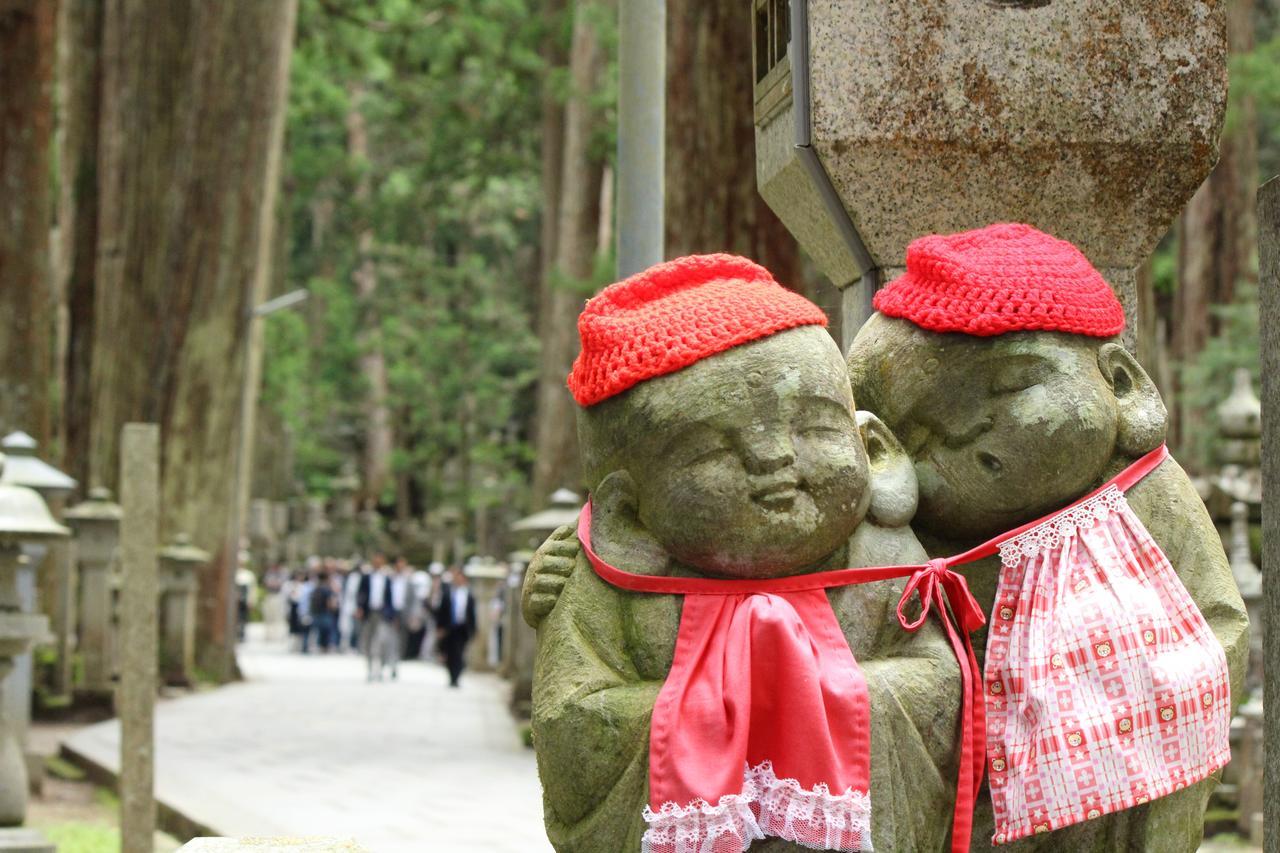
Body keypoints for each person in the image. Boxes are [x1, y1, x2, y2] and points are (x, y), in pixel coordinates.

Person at [435, 565, 476, 687]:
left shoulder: (469, 595)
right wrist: (440, 627)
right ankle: (451, 675)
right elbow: (441, 611)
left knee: (459, 653)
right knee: (449, 653)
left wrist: (473, 629)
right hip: (449, 627)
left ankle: (456, 676)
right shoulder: (448, 593)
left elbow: (472, 614)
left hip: (462, 628)